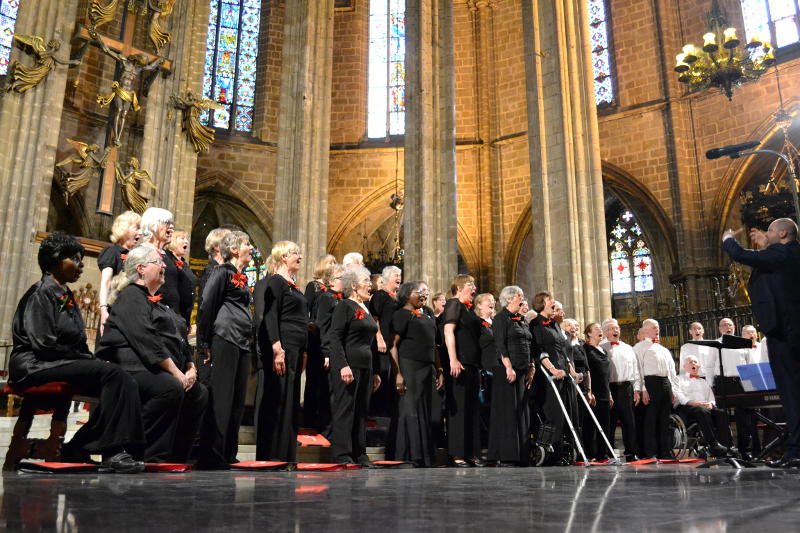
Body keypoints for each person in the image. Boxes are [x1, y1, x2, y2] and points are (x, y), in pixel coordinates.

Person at [9, 233, 145, 473]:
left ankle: (80, 446)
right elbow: (43, 344)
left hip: (58, 361)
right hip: (35, 364)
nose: (81, 265)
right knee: (114, 376)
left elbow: (78, 341)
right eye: (74, 259)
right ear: (54, 261)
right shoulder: (40, 293)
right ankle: (111, 451)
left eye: (81, 259)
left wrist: (88, 359)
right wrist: (84, 360)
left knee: (123, 382)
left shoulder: (65, 294)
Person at [97, 243, 208, 463]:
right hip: (135, 366)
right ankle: (144, 452)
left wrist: (190, 366)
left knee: (199, 394)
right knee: (170, 388)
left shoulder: (160, 304)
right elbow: (146, 339)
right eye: (158, 262)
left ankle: (177, 457)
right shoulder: (131, 296)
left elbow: (179, 338)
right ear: (140, 269)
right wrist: (176, 372)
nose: (163, 266)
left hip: (160, 367)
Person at [723, 219, 800, 467]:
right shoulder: (785, 254)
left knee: (791, 392)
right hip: (789, 329)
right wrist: (767, 245)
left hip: (784, 331)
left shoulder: (785, 251)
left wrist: (728, 240)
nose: (765, 234)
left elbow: (743, 255)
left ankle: (797, 450)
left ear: (783, 233)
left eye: (770, 231)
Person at [196, 230, 254, 468]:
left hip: (242, 341)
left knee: (237, 400)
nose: (251, 248)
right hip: (225, 338)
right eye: (247, 244)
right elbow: (207, 306)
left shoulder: (242, 276)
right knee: (222, 398)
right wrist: (204, 343)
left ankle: (229, 452)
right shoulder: (221, 272)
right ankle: (214, 454)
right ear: (234, 249)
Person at [254, 241, 308, 462]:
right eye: (295, 253)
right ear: (283, 257)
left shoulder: (292, 285)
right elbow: (270, 315)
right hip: (282, 347)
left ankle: (286, 455)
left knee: (291, 401)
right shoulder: (276, 282)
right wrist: (277, 347)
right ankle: (272, 455)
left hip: (295, 349)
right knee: (278, 399)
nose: (300, 257)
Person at [327, 267, 382, 466]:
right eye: (366, 281)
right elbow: (335, 337)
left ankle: (360, 454)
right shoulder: (345, 306)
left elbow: (371, 343)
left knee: (361, 411)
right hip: (348, 366)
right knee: (345, 410)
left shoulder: (365, 308)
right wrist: (342, 365)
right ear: (354, 286)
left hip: (365, 367)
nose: (371, 285)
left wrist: (375, 371)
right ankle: (342, 454)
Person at [387, 281, 443, 466]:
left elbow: (434, 345)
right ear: (406, 295)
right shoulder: (401, 315)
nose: (422, 295)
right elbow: (393, 347)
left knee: (426, 411)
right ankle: (409, 455)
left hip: (428, 369)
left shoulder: (426, 315)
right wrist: (398, 374)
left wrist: (439, 369)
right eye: (418, 292)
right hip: (410, 367)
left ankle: (425, 456)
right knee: (410, 410)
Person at [488, 286, 534, 466]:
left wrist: (531, 368)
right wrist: (508, 366)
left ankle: (522, 453)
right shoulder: (500, 319)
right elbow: (500, 345)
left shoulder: (521, 320)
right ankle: (507, 454)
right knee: (508, 413)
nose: (522, 298)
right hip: (507, 371)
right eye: (519, 296)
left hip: (523, 371)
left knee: (522, 413)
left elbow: (529, 345)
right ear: (508, 299)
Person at [442, 274, 483, 467]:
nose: (473, 288)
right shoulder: (454, 304)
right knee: (459, 409)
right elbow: (448, 330)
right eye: (469, 285)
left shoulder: (469, 310)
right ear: (458, 288)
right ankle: (457, 453)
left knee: (472, 409)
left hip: (472, 364)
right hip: (460, 363)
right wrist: (453, 359)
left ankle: (471, 452)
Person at [305, 264, 345, 433]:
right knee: (325, 392)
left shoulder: (341, 298)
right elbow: (323, 326)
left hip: (339, 351)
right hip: (327, 351)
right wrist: (327, 353)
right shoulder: (326, 297)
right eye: (341, 278)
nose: (344, 281)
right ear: (330, 281)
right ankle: (324, 430)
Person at [530, 292, 569, 464]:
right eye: (549, 300)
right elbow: (539, 351)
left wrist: (571, 371)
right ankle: (550, 451)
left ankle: (560, 450)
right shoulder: (535, 324)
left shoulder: (554, 324)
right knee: (551, 412)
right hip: (547, 376)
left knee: (561, 413)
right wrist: (552, 369)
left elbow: (562, 349)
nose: (553, 302)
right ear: (541, 304)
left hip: (562, 373)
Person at [714, 317, 760, 457]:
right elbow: (710, 365)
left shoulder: (743, 343)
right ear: (720, 328)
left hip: (741, 381)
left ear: (734, 327)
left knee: (744, 416)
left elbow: (750, 364)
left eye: (730, 324)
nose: (728, 327)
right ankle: (727, 449)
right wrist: (711, 384)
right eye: (724, 325)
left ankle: (744, 450)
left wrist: (753, 384)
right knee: (722, 416)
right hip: (723, 381)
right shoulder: (716, 343)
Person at [634, 319, 677, 459]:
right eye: (654, 327)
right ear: (645, 330)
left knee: (665, 419)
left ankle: (664, 452)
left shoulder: (663, 349)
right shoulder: (639, 348)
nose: (657, 329)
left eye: (657, 327)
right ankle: (650, 452)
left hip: (665, 383)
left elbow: (671, 370)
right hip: (650, 383)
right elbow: (638, 369)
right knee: (650, 420)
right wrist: (643, 389)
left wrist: (673, 389)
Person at [674, 355, 734, 457]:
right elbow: (681, 398)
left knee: (721, 412)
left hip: (704, 408)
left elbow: (711, 398)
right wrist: (696, 403)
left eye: (695, 362)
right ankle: (712, 444)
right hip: (686, 408)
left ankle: (726, 447)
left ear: (699, 366)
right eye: (690, 362)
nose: (693, 364)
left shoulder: (703, 381)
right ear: (684, 366)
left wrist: (710, 403)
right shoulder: (678, 379)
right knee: (702, 410)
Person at [601, 318, 641, 461]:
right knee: (609, 421)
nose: (615, 331)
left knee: (628, 421)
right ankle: (608, 451)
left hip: (626, 387)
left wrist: (636, 390)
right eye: (611, 329)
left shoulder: (628, 348)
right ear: (605, 332)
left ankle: (631, 452)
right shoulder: (601, 348)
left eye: (616, 328)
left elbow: (636, 370)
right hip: (609, 387)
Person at [98, 210, 140, 332]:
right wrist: (103, 310)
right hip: (114, 312)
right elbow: (106, 282)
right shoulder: (112, 252)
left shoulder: (137, 256)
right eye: (136, 228)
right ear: (124, 229)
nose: (140, 232)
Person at [369, 265, 402, 417]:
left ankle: (389, 414)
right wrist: (379, 337)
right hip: (382, 345)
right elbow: (375, 318)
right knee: (382, 377)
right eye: (396, 275)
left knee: (392, 380)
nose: (399, 277)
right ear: (386, 278)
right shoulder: (380, 295)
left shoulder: (398, 298)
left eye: (400, 275)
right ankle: (378, 415)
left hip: (395, 345)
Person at [582, 323, 610, 461]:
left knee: (604, 424)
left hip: (605, 391)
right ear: (588, 334)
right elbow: (587, 372)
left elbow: (606, 374)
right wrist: (589, 390)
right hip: (594, 392)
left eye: (600, 329)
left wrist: (609, 393)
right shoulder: (586, 349)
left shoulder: (603, 350)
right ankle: (590, 454)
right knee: (591, 424)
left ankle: (602, 454)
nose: (600, 331)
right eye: (596, 329)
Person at [166, 229, 198, 327]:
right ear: (173, 241)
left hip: (185, 314)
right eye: (182, 238)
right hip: (174, 313)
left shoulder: (184, 263)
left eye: (187, 239)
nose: (186, 241)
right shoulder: (168, 260)